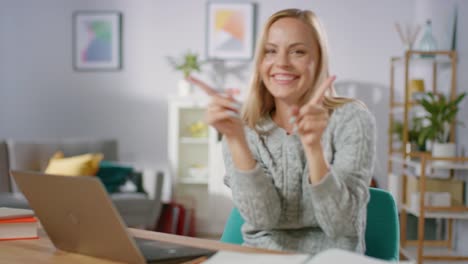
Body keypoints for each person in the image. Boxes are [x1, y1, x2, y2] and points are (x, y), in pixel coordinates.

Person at [189, 8, 376, 255]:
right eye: (271, 51)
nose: (282, 63)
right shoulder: (242, 126)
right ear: (260, 61)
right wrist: (236, 141)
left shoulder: (352, 119)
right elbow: (263, 218)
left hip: (332, 256)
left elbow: (340, 225)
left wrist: (314, 150)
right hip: (262, 257)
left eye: (298, 51)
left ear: (319, 60)